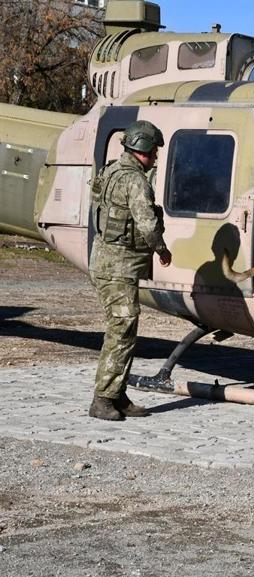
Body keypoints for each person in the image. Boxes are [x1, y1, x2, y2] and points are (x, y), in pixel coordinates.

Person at [88, 120, 172, 421]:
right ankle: (103, 400)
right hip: (118, 265)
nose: (156, 157)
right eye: (154, 152)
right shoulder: (135, 181)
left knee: (126, 328)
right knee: (122, 329)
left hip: (108, 261)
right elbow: (147, 223)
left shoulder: (111, 170)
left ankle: (117, 394)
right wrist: (162, 250)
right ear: (144, 150)